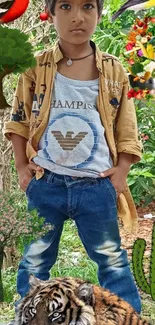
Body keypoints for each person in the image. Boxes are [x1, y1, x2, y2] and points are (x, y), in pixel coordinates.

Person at [4, 0, 142, 323]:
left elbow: (126, 126)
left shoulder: (113, 70)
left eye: (87, 7)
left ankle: (128, 317)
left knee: (111, 258)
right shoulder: (35, 67)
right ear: (50, 14)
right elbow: (19, 121)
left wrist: (121, 171)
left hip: (96, 186)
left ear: (99, 12)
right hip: (46, 184)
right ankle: (27, 316)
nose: (77, 17)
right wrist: (23, 168)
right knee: (34, 259)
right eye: (65, 6)